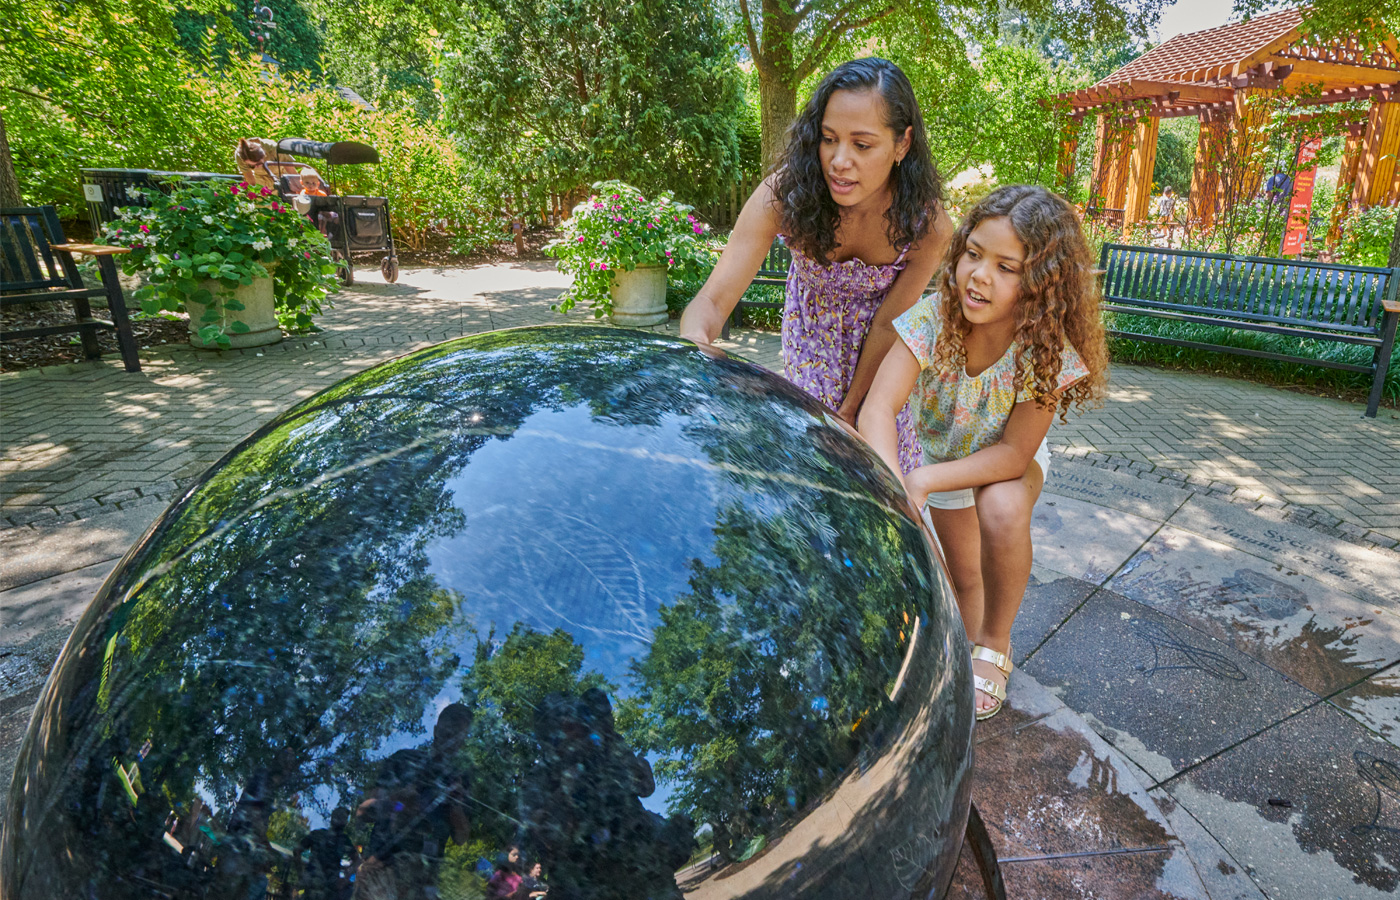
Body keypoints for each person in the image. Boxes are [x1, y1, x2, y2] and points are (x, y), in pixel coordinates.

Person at [858, 185, 1108, 721]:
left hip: (1005, 460)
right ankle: (964, 650)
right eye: (973, 253)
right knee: (963, 574)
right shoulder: (933, 320)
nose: (979, 275)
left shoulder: (1043, 349)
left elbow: (1015, 455)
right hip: (945, 453)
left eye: (1006, 267)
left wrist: (922, 480)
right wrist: (893, 479)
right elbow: (878, 408)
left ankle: (997, 642)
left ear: (1041, 283)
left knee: (1000, 507)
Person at [679, 57, 954, 474]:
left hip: (880, 374)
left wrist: (853, 409)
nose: (840, 161)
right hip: (808, 355)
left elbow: (887, 325)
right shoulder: (785, 194)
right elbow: (715, 299)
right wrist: (694, 351)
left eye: (862, 145)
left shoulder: (926, 226)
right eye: (829, 139)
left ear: (902, 144)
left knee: (882, 484)